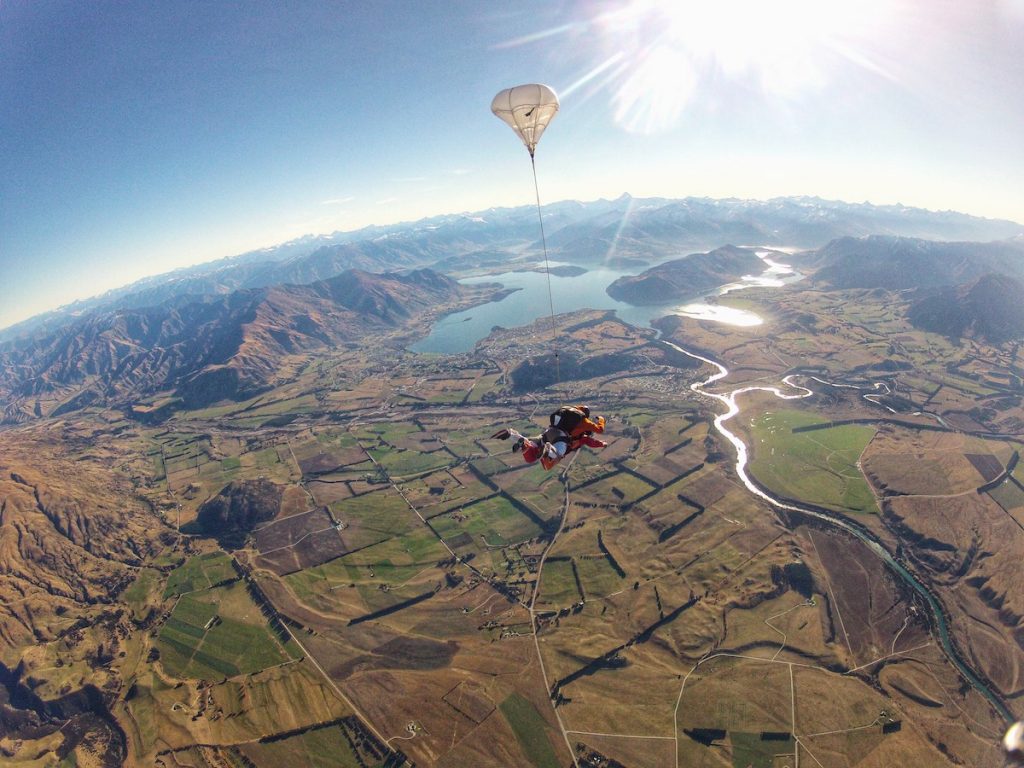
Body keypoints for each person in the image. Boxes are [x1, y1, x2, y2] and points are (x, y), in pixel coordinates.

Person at [492, 405, 607, 470]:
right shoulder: (584, 429)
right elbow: (593, 439)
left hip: (547, 433)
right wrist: (603, 443)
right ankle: (549, 450)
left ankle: (514, 436)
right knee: (552, 461)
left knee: (531, 457)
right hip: (559, 439)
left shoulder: (568, 413)